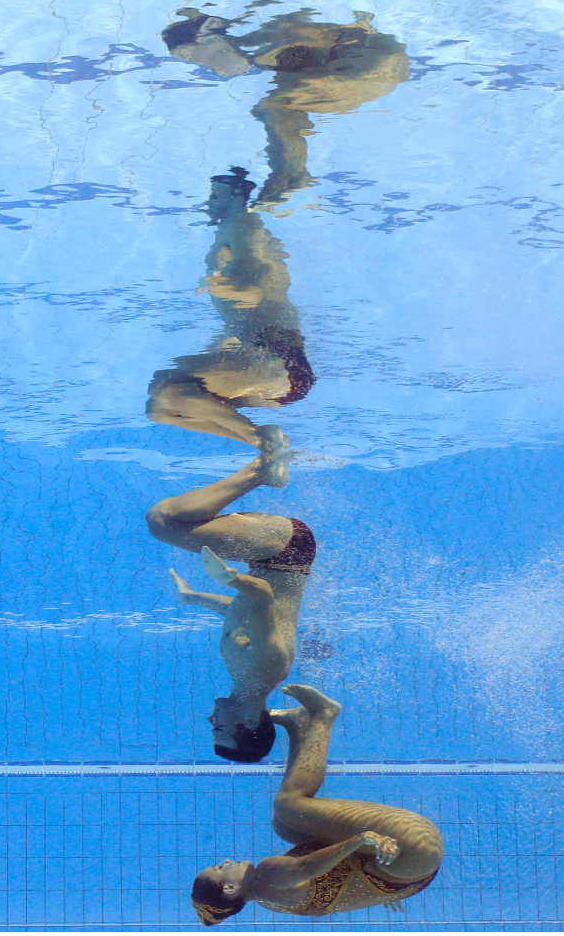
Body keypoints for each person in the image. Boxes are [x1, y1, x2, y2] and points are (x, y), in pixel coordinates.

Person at [191, 685, 443, 923]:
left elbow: (337, 890)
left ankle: (298, 725)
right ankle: (323, 715)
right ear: (231, 888)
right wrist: (359, 840)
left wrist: (394, 888)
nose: (225, 862)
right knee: (288, 806)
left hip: (414, 875)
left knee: (286, 826)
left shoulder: (271, 902)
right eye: (219, 868)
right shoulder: (266, 875)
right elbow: (306, 866)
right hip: (411, 843)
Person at [145, 452, 315, 762]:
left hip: (271, 557)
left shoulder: (243, 677)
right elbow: (262, 597)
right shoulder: (267, 668)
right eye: (219, 728)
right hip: (286, 552)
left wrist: (192, 596)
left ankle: (264, 469)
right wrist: (230, 578)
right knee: (163, 522)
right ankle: (264, 470)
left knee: (166, 521)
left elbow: (240, 614)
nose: (212, 721)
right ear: (249, 721)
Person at [162, 8, 410, 206]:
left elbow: (321, 27)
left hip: (373, 64)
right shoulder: (272, 57)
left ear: (211, 38)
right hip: (377, 69)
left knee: (273, 106)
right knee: (276, 107)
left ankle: (294, 175)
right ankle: (292, 175)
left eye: (192, 56)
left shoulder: (266, 39)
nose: (202, 66)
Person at [146, 167, 315, 450]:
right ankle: (270, 451)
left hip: (280, 362)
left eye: (214, 196)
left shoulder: (241, 228)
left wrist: (223, 286)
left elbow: (260, 292)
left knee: (166, 385)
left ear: (236, 197)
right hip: (265, 360)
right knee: (159, 409)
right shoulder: (234, 229)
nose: (208, 204)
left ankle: (263, 441)